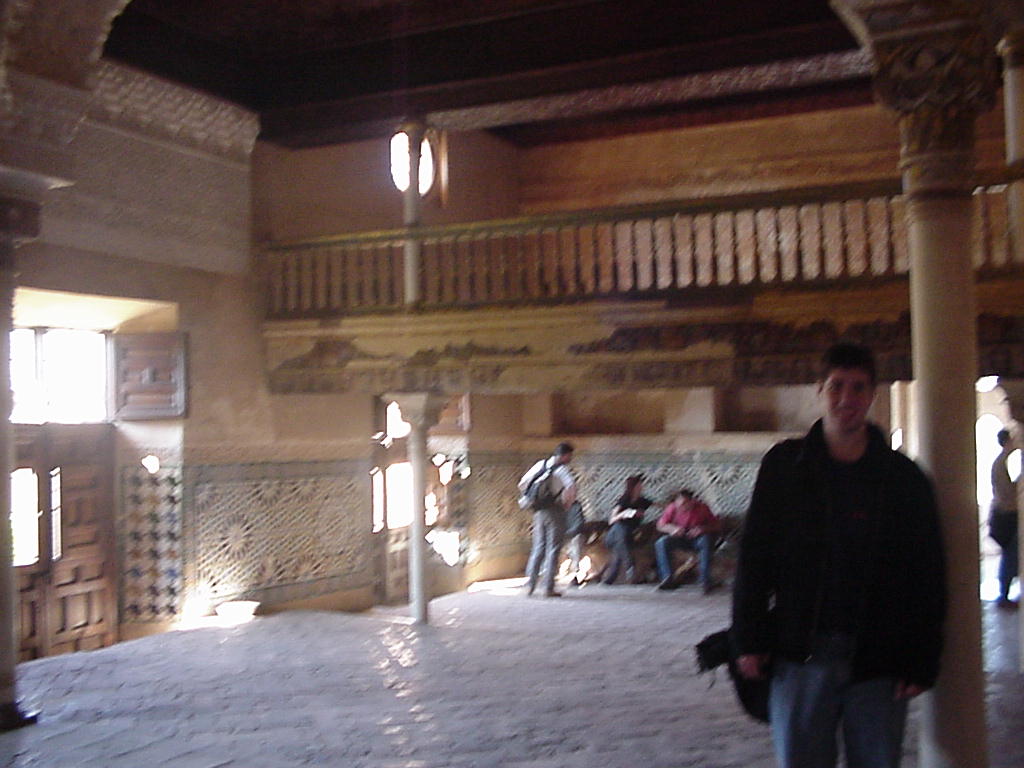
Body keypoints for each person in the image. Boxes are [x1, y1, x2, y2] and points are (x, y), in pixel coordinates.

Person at [732, 342, 946, 768]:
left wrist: (922, 658)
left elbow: (927, 574)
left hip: (878, 656)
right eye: (837, 386)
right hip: (800, 652)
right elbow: (755, 555)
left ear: (872, 394)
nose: (847, 398)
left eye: (858, 387)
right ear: (820, 390)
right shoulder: (785, 467)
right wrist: (748, 638)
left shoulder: (903, 479)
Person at [519, 442, 577, 597]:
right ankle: (547, 587)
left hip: (538, 511)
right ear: (565, 455)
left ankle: (530, 586)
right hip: (555, 510)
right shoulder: (562, 470)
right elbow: (571, 488)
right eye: (570, 456)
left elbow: (523, 483)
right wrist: (567, 504)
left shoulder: (540, 465)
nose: (570, 459)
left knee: (538, 547)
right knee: (553, 548)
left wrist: (533, 499)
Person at [654, 488, 720, 593]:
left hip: (697, 539)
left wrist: (702, 529)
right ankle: (667, 578)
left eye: (684, 504)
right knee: (661, 542)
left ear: (691, 502)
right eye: (679, 503)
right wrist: (672, 529)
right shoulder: (672, 508)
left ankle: (705, 580)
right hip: (680, 538)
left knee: (706, 541)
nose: (681, 506)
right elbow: (660, 525)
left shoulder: (702, 508)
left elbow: (716, 525)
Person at [601, 474, 652, 584]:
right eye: (639, 485)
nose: (641, 487)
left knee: (620, 543)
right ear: (633, 487)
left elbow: (661, 506)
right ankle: (630, 565)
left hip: (628, 534)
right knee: (619, 529)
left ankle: (611, 578)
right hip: (614, 535)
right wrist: (624, 514)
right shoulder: (624, 500)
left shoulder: (643, 501)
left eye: (641, 485)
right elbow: (611, 520)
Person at [989, 428, 1019, 610]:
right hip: (1006, 516)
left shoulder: (1001, 462)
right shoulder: (1000, 463)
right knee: (1010, 556)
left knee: (1010, 556)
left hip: (1004, 514)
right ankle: (1004, 595)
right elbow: (1006, 493)